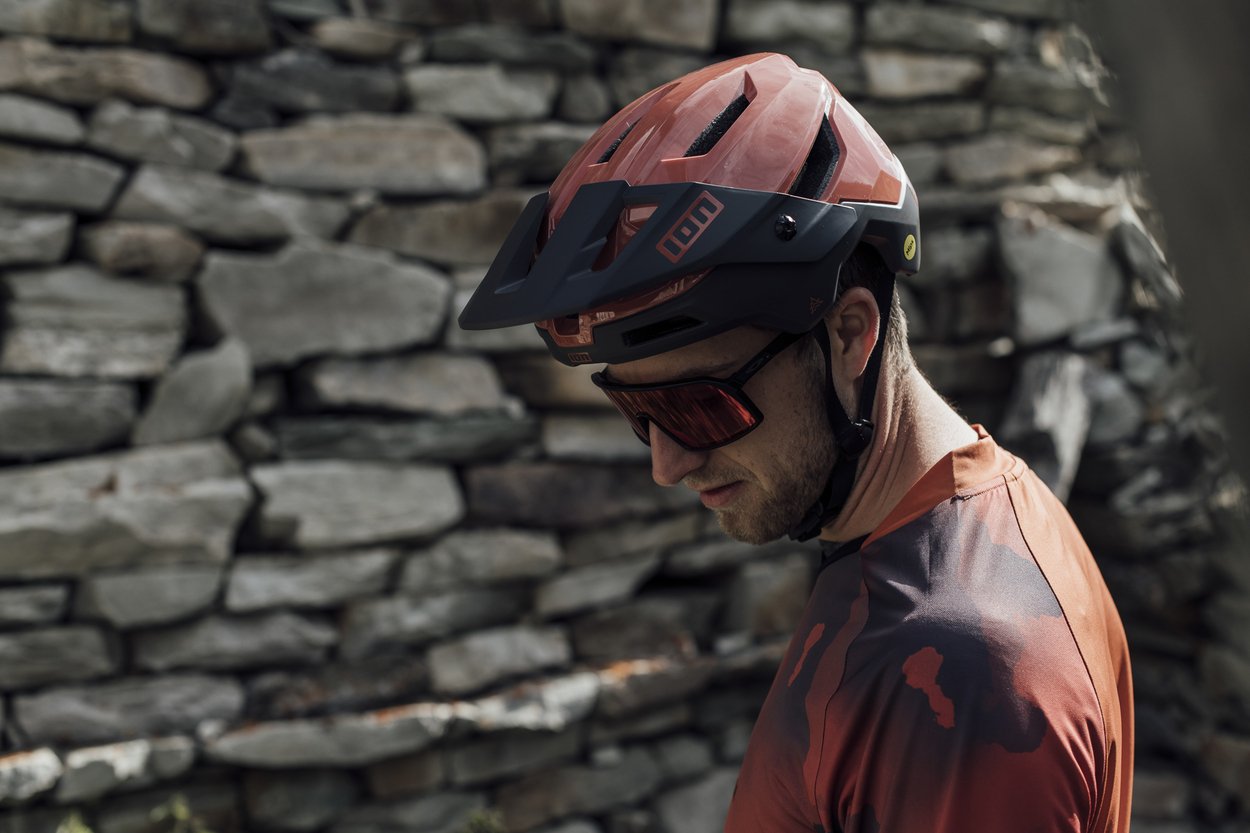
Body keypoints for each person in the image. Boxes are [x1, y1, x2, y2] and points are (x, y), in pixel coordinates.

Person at [460, 53, 1133, 833]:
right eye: (634, 408)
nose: (665, 463)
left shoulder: (955, 671)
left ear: (848, 334)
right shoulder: (950, 525)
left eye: (696, 404)